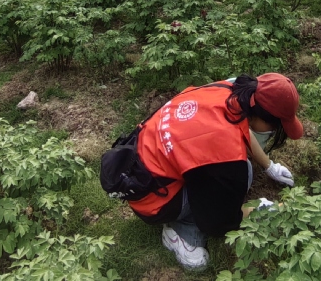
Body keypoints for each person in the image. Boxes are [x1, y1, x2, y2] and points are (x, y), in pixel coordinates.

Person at [126, 73, 303, 271]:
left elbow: (242, 129)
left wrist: (270, 166)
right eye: (275, 127)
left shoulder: (229, 89)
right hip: (151, 198)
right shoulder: (225, 153)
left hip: (139, 158)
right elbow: (220, 224)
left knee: (245, 172)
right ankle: (179, 234)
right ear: (262, 116)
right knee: (200, 259)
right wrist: (262, 210)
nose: (273, 132)